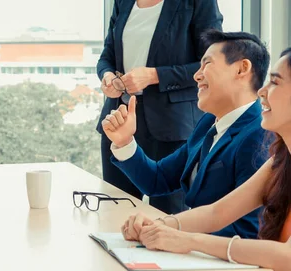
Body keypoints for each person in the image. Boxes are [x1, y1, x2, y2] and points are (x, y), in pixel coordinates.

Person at [120, 48, 291, 270]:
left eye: (275, 83)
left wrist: (190, 241)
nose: (262, 91)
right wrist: (157, 226)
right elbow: (217, 212)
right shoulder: (280, 160)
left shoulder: (254, 137)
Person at [102, 30, 271, 238]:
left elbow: (249, 231)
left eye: (207, 64)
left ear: (241, 69)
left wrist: (170, 231)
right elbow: (157, 179)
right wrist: (125, 141)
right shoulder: (208, 123)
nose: (196, 75)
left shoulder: (260, 135)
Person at [96, 0, 223, 214]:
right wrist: (107, 76)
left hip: (171, 126)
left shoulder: (198, 3)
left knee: (168, 217)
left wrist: (155, 76)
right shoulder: (123, 2)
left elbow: (211, 62)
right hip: (120, 120)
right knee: (115, 212)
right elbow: (106, 56)